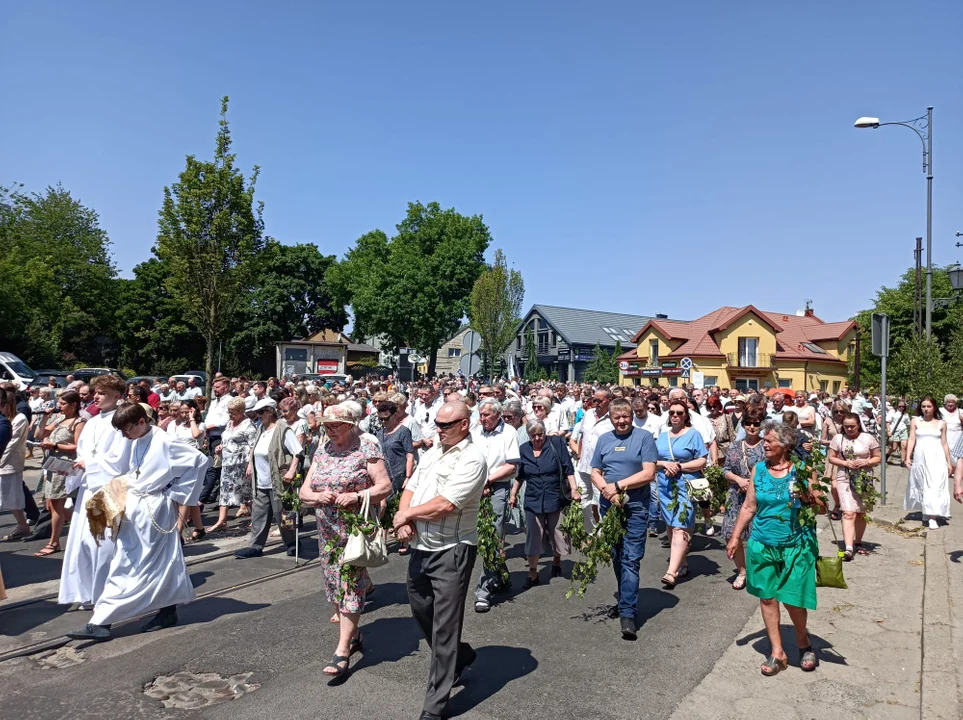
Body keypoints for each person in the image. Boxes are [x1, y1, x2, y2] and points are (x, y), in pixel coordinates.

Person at [65, 404, 208, 641]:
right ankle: (167, 611)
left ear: (141, 422)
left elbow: (199, 461)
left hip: (153, 510)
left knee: (128, 563)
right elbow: (135, 471)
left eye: (126, 430)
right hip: (137, 508)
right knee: (155, 562)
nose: (124, 436)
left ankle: (102, 621)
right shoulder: (138, 440)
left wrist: (174, 492)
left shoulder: (165, 441)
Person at [393, 401, 488, 719]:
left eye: (446, 425)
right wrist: (403, 516)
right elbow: (411, 486)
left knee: (445, 626)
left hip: (452, 549)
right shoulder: (433, 451)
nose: (439, 429)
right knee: (422, 610)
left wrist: (407, 514)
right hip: (421, 547)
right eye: (437, 423)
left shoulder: (473, 458)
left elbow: (447, 505)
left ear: (465, 424)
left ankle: (435, 706)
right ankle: (459, 657)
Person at [299, 402, 392, 678]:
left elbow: (385, 486)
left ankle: (342, 651)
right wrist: (317, 497)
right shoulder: (323, 448)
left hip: (354, 529)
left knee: (350, 581)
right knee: (332, 582)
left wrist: (357, 496)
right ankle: (354, 634)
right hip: (327, 530)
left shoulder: (367, 447)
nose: (329, 432)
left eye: (335, 427)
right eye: (325, 427)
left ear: (351, 425)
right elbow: (305, 490)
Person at [726, 421, 824, 676]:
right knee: (768, 597)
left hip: (796, 544)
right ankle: (777, 652)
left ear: (786, 445)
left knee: (793, 600)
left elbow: (821, 507)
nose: (764, 444)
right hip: (762, 543)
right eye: (765, 440)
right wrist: (736, 537)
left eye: (769, 441)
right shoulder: (758, 469)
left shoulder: (803, 470)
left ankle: (803, 642)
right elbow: (749, 507)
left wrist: (807, 496)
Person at [58, 374, 130, 609]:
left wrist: (90, 465)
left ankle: (103, 595)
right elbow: (83, 453)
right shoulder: (92, 422)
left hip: (108, 489)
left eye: (102, 393)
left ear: (117, 397)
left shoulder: (122, 421)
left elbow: (121, 460)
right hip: (89, 488)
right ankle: (86, 592)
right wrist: (72, 468)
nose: (95, 397)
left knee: (102, 543)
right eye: (95, 392)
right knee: (83, 544)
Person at [590, 397, 658, 640]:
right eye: (617, 417)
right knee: (617, 555)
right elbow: (595, 471)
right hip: (610, 507)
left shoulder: (644, 438)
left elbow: (648, 473)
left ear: (632, 416)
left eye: (625, 416)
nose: (621, 421)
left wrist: (617, 486)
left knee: (631, 558)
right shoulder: (604, 439)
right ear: (610, 418)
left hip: (636, 507)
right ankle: (625, 598)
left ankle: (628, 612)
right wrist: (606, 490)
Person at [510, 419, 579, 587]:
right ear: (529, 436)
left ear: (545, 432)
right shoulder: (524, 449)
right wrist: (513, 495)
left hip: (555, 495)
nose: (538, 439)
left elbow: (568, 468)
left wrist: (574, 489)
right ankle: (532, 572)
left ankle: (556, 560)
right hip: (533, 498)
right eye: (533, 436)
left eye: (540, 434)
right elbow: (519, 476)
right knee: (534, 535)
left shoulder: (556, 444)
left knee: (557, 532)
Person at [235, 398, 303, 559]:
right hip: (261, 481)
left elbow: (298, 452)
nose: (258, 416)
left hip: (279, 480)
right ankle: (255, 546)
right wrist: (250, 464)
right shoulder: (261, 429)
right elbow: (255, 449)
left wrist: (291, 471)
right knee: (259, 515)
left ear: (271, 411)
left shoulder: (282, 429)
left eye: (261, 412)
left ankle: (292, 542)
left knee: (284, 514)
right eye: (256, 413)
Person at [656, 397, 708, 589]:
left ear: (686, 415)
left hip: (686, 483)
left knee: (681, 525)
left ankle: (671, 572)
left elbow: (702, 461)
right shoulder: (663, 435)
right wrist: (664, 464)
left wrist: (680, 466)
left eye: (679, 413)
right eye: (672, 413)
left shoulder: (694, 434)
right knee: (670, 523)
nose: (675, 416)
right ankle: (682, 562)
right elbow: (653, 460)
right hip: (665, 485)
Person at [34, 390, 86, 556]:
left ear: (73, 404)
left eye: (63, 404)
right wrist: (44, 418)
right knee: (52, 503)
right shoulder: (59, 419)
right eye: (59, 403)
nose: (59, 406)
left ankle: (54, 542)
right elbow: (39, 434)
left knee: (57, 503)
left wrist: (55, 446)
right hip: (52, 464)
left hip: (64, 465)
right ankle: (82, 526)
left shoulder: (78, 422)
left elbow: (77, 446)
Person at [721, 410, 766, 589]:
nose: (752, 427)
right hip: (736, 494)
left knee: (759, 535)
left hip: (759, 496)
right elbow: (725, 470)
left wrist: (753, 483)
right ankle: (742, 571)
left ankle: (759, 570)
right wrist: (739, 480)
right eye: (748, 423)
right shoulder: (735, 446)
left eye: (756, 423)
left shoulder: (766, 446)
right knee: (733, 533)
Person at [827, 411, 882, 559]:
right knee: (848, 512)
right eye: (846, 427)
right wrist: (845, 462)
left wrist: (866, 461)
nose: (849, 429)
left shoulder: (868, 438)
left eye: (852, 426)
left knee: (860, 512)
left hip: (864, 478)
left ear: (858, 425)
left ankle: (858, 541)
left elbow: (878, 457)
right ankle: (849, 547)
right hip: (844, 477)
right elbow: (831, 457)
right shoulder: (838, 439)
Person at [209, 397, 257, 534]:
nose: (230, 415)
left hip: (241, 464)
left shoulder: (248, 425)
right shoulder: (230, 423)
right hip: (227, 463)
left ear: (241, 411)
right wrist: (220, 447)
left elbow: (253, 446)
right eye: (229, 412)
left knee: (246, 493)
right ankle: (221, 521)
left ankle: (255, 519)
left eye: (233, 412)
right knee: (224, 492)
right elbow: (227, 440)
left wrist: (250, 465)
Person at [905, 396, 954, 530]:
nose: (926, 409)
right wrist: (908, 457)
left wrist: (949, 462)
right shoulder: (915, 421)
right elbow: (911, 439)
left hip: (937, 458)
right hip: (921, 457)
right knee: (922, 484)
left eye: (929, 406)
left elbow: (944, 443)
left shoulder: (941, 423)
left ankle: (933, 517)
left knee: (935, 485)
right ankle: (926, 512)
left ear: (934, 408)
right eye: (923, 406)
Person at [374, 398, 414, 551]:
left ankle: (403, 540)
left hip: (400, 474)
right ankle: (382, 542)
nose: (383, 421)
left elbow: (409, 455)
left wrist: (408, 477)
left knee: (398, 507)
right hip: (384, 475)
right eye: (380, 419)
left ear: (394, 415)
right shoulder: (380, 433)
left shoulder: (403, 431)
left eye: (386, 418)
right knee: (383, 507)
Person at [0, 388, 31, 540]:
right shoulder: (6, 418)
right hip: (3, 464)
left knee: (12, 498)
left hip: (9, 464)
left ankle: (23, 525)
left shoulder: (19, 420)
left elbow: (10, 445)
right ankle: (23, 524)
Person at [200, 376, 232, 506]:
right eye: (214, 387)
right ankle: (215, 495)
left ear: (226, 387)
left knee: (214, 468)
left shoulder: (229, 400)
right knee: (214, 468)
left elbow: (224, 421)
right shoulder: (214, 402)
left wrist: (208, 427)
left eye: (218, 387)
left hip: (220, 437)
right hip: (211, 436)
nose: (215, 389)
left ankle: (202, 499)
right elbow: (208, 418)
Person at [888, 399, 911, 466]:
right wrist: (889, 430)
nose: (901, 408)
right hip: (895, 431)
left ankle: (902, 461)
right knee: (894, 448)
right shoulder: (892, 412)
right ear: (897, 406)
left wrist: (910, 431)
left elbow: (908, 424)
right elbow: (888, 422)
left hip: (903, 431)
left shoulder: (905, 414)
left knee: (904, 446)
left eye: (903, 406)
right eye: (900, 406)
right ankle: (887, 455)